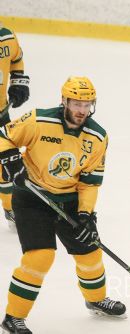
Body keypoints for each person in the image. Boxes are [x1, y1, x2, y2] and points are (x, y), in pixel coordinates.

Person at [0, 76, 125, 333]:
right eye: (76, 103)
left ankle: (96, 300)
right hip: (32, 197)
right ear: (64, 101)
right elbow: (3, 137)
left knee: (90, 253)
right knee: (40, 256)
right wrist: (11, 159)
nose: (82, 110)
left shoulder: (97, 137)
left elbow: (90, 182)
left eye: (87, 104)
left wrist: (85, 214)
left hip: (69, 200)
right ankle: (13, 316)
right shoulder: (38, 120)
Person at [0, 24, 30, 230]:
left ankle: (11, 208)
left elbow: (16, 57)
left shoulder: (7, 36)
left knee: (7, 164)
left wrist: (18, 81)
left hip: (1, 113)